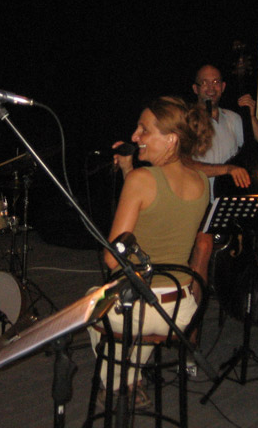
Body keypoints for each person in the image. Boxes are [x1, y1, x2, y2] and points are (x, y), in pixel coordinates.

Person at [88, 96, 213, 408]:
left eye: (144, 130)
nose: (135, 136)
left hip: (140, 309)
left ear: (171, 139)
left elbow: (112, 258)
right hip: (180, 310)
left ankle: (118, 384)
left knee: (92, 303)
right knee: (136, 310)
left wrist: (131, 174)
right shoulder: (202, 181)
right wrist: (129, 169)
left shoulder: (142, 180)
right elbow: (159, 213)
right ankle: (131, 382)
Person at [190, 63, 258, 197]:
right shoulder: (185, 120)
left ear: (223, 87)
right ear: (196, 89)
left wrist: (251, 118)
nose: (211, 88)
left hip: (227, 197)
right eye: (204, 83)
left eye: (216, 82)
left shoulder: (233, 118)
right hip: (197, 200)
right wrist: (226, 169)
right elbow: (182, 165)